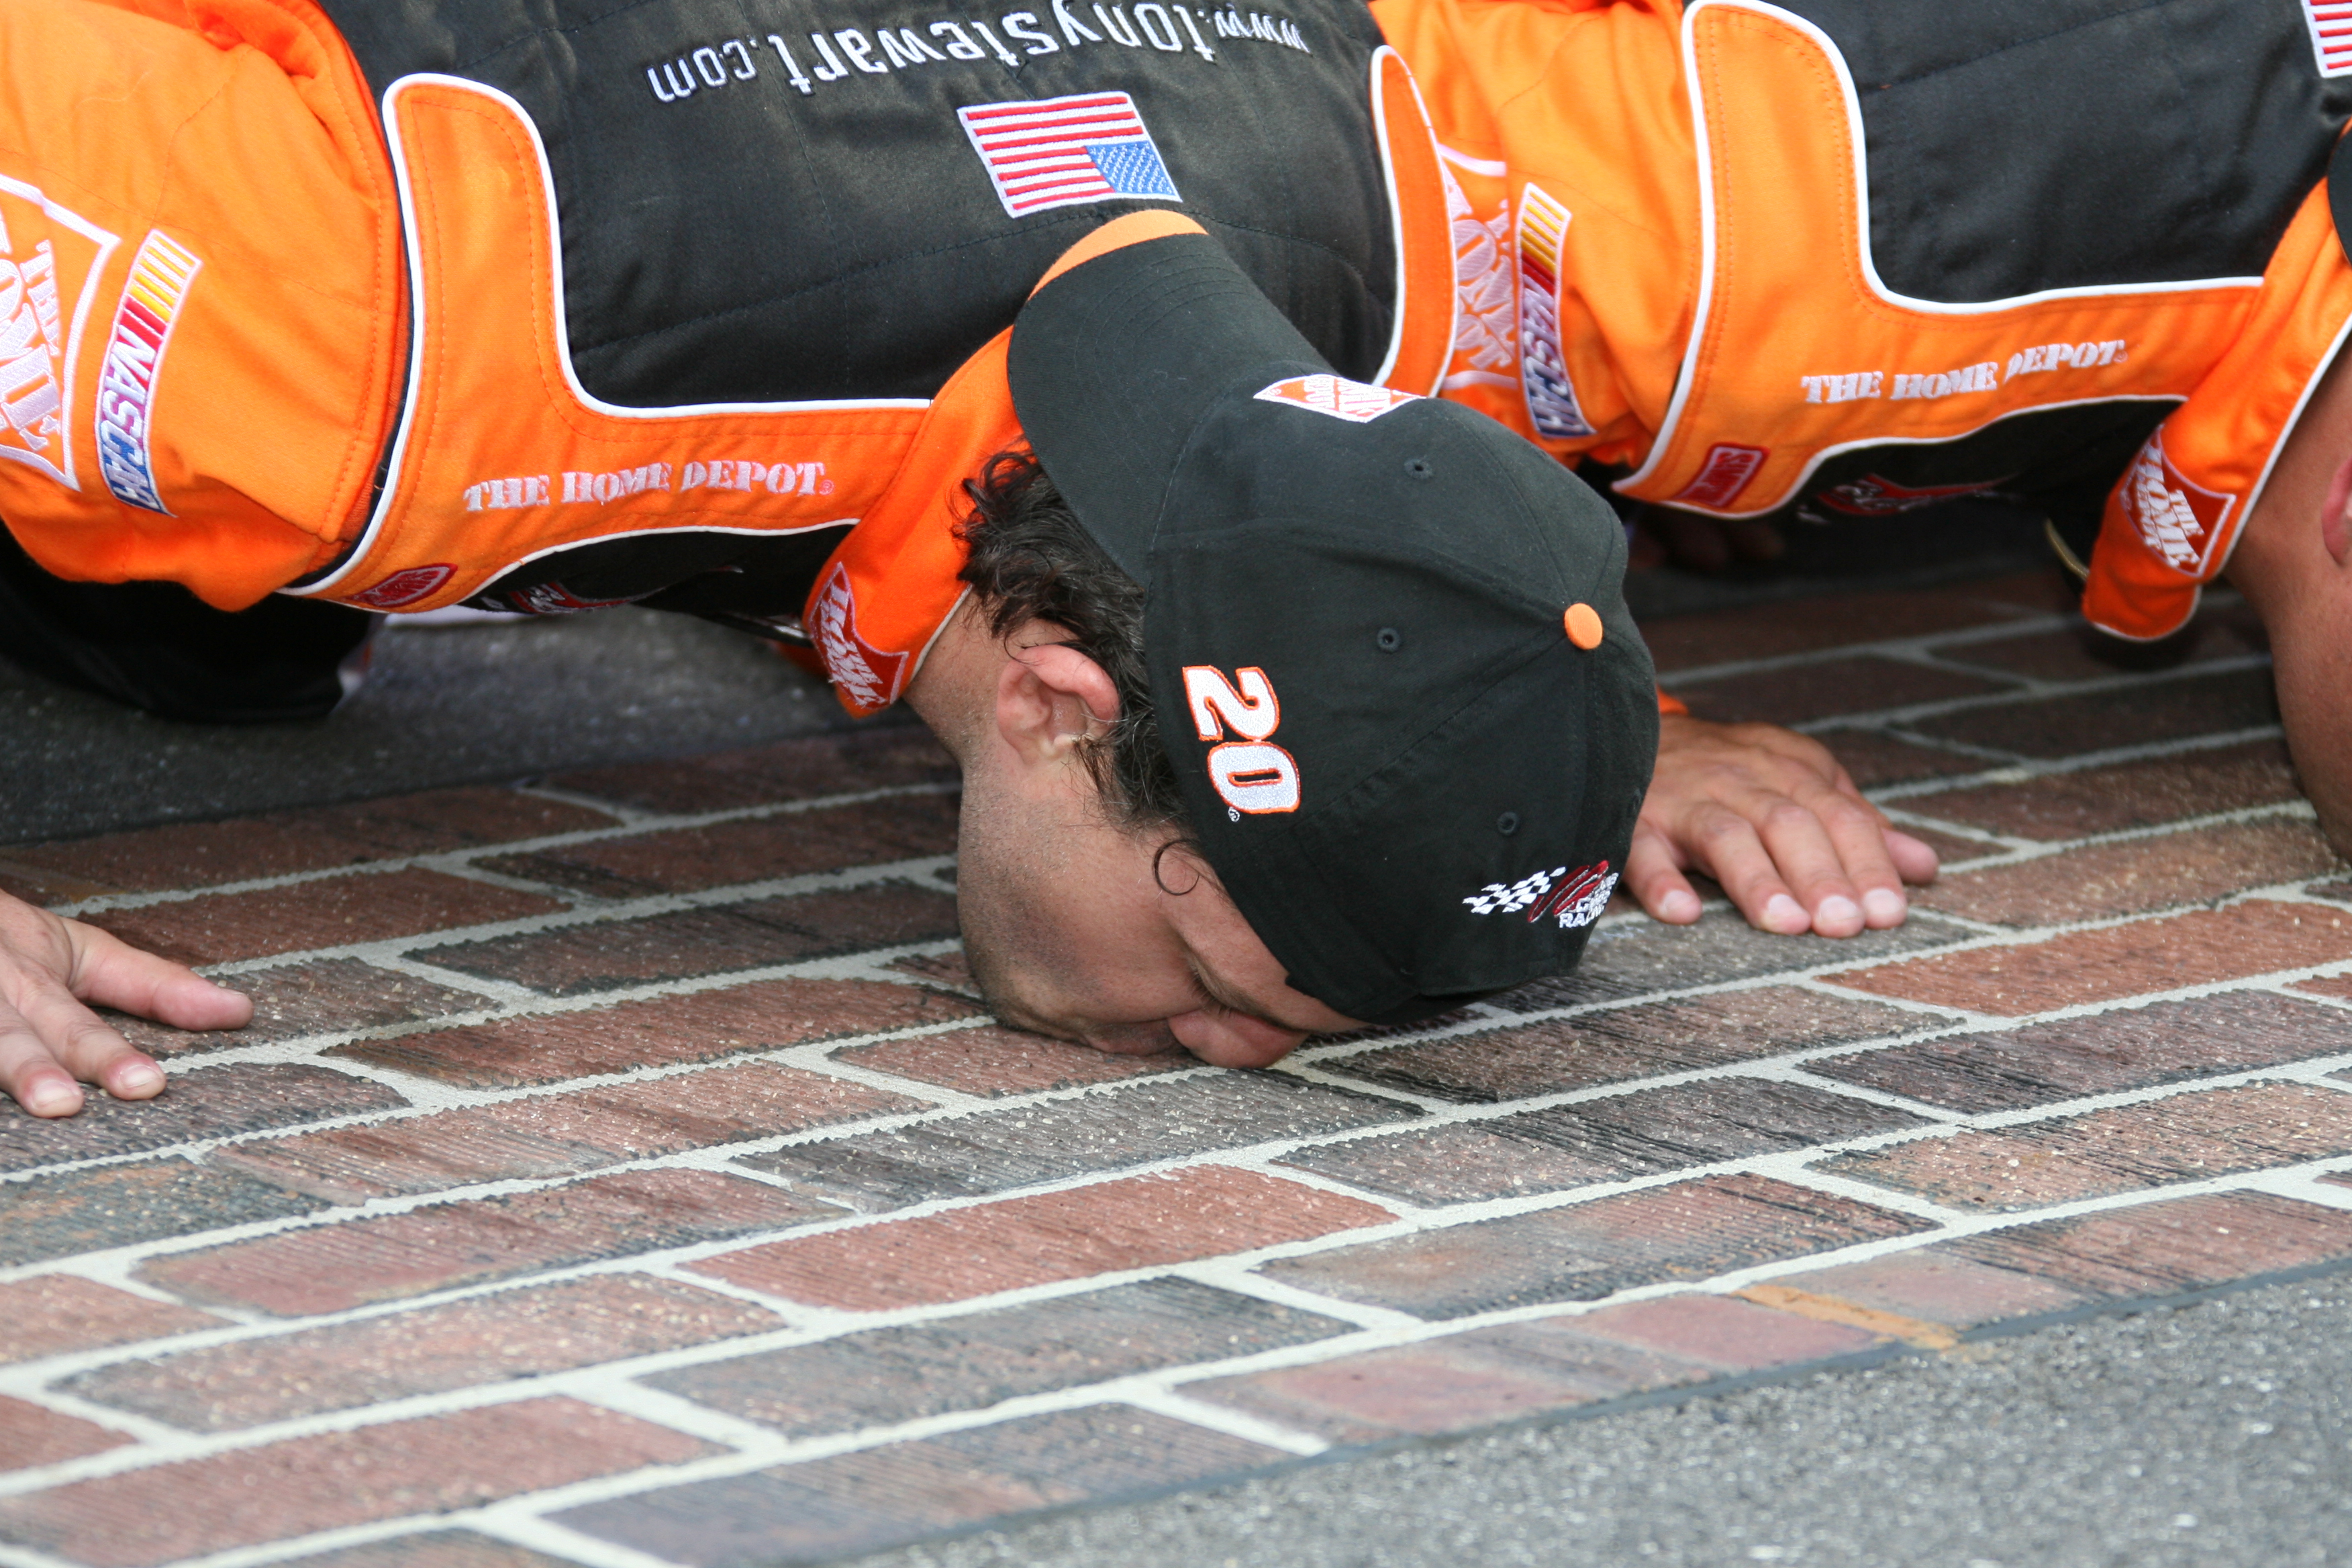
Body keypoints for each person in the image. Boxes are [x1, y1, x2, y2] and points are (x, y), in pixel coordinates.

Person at [7, 0, 2351, 1114]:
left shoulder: (1415, 235)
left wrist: (1530, 696)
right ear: (1056, 702)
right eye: (1237, 976)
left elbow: (1389, 519)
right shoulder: (409, 348)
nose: (1232, 1046)